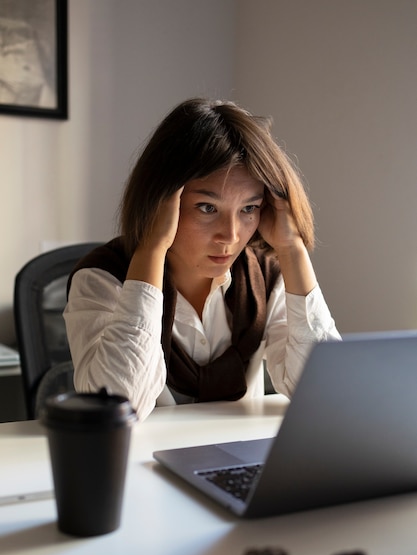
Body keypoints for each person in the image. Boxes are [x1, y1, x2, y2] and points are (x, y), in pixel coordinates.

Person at [64, 97, 340, 421]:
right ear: (161, 202)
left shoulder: (266, 278)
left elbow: (328, 393)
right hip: (138, 466)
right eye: (207, 208)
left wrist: (292, 248)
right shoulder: (102, 278)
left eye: (249, 208)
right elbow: (115, 405)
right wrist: (152, 247)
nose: (231, 235)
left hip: (237, 461)